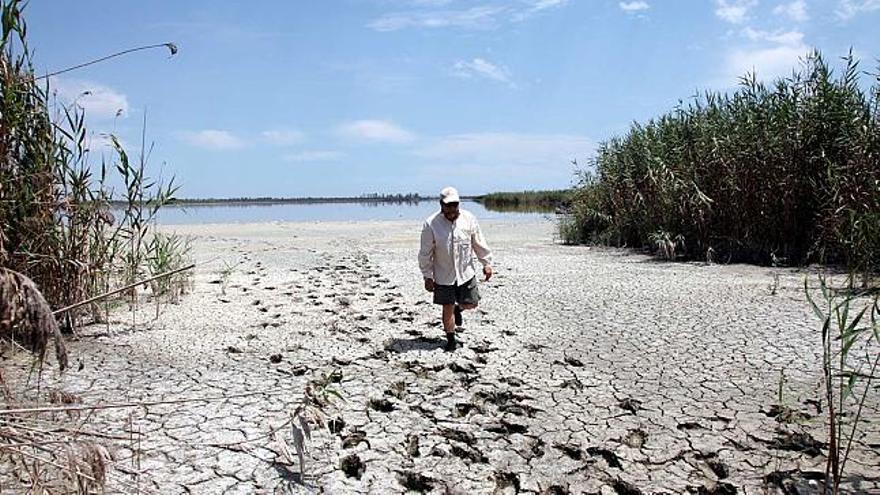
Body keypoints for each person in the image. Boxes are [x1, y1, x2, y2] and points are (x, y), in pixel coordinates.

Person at [418, 186, 493, 351]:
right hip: (443, 274)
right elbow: (425, 253)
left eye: (454, 205)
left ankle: (459, 309)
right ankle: (450, 339)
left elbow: (478, 242)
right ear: (441, 204)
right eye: (448, 205)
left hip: (466, 273)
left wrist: (486, 263)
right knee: (447, 307)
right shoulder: (431, 224)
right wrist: (427, 276)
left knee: (472, 303)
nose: (451, 209)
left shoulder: (469, 219)